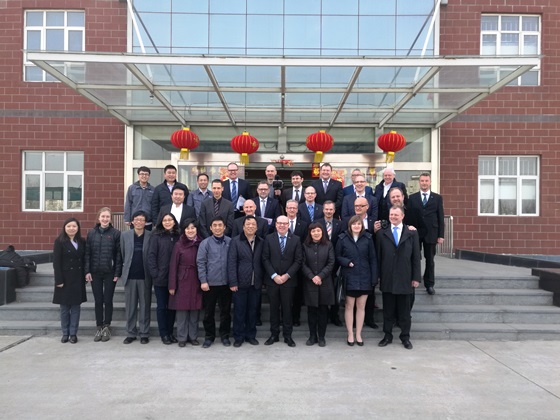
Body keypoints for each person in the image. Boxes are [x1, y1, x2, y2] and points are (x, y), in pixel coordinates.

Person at [376, 206, 421, 350]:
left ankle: (405, 337)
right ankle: (387, 336)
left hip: (405, 277)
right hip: (388, 277)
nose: (393, 217)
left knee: (404, 312)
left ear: (402, 216)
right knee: (388, 311)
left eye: (396, 215)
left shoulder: (411, 233)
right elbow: (378, 257)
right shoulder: (382, 233)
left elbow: (416, 257)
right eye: (391, 214)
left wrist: (416, 278)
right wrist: (378, 276)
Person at [335, 215, 377, 346]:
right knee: (349, 306)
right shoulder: (342, 238)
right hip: (349, 276)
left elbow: (373, 259)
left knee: (361, 306)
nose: (356, 226)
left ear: (362, 225)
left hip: (365, 276)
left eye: (359, 224)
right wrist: (346, 262)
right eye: (354, 224)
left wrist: (374, 278)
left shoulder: (368, 238)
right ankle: (350, 333)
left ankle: (358, 333)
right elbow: (337, 256)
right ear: (350, 225)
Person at [262, 215, 303, 347]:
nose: (282, 225)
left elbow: (298, 260)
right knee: (274, 309)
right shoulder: (269, 238)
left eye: (285, 223)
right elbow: (265, 258)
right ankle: (274, 335)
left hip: (289, 281)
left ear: (288, 225)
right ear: (275, 224)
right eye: (279, 223)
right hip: (272, 281)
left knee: (287, 309)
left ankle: (287, 336)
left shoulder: (296, 239)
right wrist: (274, 275)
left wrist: (287, 275)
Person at [85, 207, 122, 342]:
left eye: (107, 217)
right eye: (103, 216)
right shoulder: (91, 233)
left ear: (110, 219)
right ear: (99, 218)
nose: (105, 219)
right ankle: (99, 326)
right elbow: (87, 254)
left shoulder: (116, 234)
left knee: (108, 300)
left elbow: (118, 255)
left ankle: (107, 326)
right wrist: (87, 271)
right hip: (95, 273)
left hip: (109, 272)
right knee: (98, 301)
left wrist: (117, 272)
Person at [228, 216, 264, 347]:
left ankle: (250, 335)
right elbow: (231, 262)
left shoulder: (261, 241)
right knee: (239, 311)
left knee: (252, 311)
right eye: (248, 224)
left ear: (257, 227)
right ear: (243, 227)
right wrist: (233, 282)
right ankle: (238, 337)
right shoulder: (236, 241)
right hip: (240, 282)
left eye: (253, 224)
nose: (250, 226)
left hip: (256, 283)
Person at [197, 216, 232, 348]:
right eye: (215, 226)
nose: (217, 228)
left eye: (220, 225)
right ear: (210, 228)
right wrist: (203, 281)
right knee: (208, 313)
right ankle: (209, 337)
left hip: (226, 284)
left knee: (226, 312)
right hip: (210, 284)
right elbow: (201, 263)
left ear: (224, 227)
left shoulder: (230, 242)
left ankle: (225, 335)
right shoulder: (205, 243)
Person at [168, 218, 203, 347]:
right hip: (182, 280)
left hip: (197, 279)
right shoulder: (179, 244)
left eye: (193, 228)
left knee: (194, 310)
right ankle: (182, 337)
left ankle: (193, 336)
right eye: (188, 228)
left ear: (197, 230)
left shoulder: (201, 243)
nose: (190, 230)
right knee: (182, 310)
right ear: (184, 230)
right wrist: (172, 285)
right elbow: (173, 266)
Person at [408, 173, 445, 295]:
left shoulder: (437, 198)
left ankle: (429, 284)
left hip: (431, 232)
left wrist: (441, 235)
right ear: (419, 182)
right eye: (422, 181)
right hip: (416, 232)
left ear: (430, 182)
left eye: (426, 181)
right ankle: (414, 279)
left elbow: (440, 217)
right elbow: (409, 217)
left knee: (430, 259)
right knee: (415, 257)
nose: (424, 183)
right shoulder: (412, 198)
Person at [148, 212, 181, 345]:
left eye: (170, 220)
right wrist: (155, 274)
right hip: (160, 278)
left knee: (172, 307)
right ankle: (164, 334)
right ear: (161, 222)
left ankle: (170, 332)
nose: (167, 222)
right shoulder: (156, 236)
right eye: (165, 220)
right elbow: (151, 256)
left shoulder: (179, 236)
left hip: (175, 278)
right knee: (162, 307)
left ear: (174, 222)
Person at [52, 217, 86, 344]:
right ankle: (65, 333)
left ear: (78, 228)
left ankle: (73, 334)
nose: (72, 228)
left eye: (74, 226)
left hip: (78, 278)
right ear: (64, 228)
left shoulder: (82, 241)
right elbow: (56, 262)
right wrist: (58, 280)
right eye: (69, 226)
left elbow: (84, 260)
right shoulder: (59, 241)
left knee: (76, 307)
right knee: (65, 308)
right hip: (64, 279)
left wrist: (85, 275)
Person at [301, 222, 335, 347]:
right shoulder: (305, 246)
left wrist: (320, 276)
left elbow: (331, 262)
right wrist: (312, 276)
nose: (316, 233)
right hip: (310, 283)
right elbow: (302, 263)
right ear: (310, 233)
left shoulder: (328, 245)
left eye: (318, 231)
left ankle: (321, 337)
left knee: (323, 311)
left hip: (324, 282)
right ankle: (312, 336)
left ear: (322, 232)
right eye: (313, 231)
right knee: (311, 311)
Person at [121, 211, 152, 345]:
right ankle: (131, 333)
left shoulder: (151, 235)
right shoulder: (125, 235)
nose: (139, 222)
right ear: (132, 221)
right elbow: (122, 254)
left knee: (145, 306)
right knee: (131, 307)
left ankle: (144, 333)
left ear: (145, 222)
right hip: (130, 276)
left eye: (142, 220)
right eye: (137, 219)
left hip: (145, 276)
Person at [316, 201, 344, 326]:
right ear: (323, 210)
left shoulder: (340, 224)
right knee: (321, 291)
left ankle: (334, 315)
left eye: (331, 209)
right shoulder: (317, 223)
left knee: (334, 289)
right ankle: (323, 315)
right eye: (326, 209)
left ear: (334, 210)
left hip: (335, 262)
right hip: (320, 262)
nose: (328, 211)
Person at [124, 166, 155, 230]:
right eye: (142, 174)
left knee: (147, 236)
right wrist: (127, 218)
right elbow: (128, 204)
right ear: (138, 175)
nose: (144, 176)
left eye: (146, 174)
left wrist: (155, 220)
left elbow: (154, 206)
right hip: (135, 220)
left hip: (148, 221)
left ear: (149, 176)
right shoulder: (132, 188)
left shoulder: (153, 189)